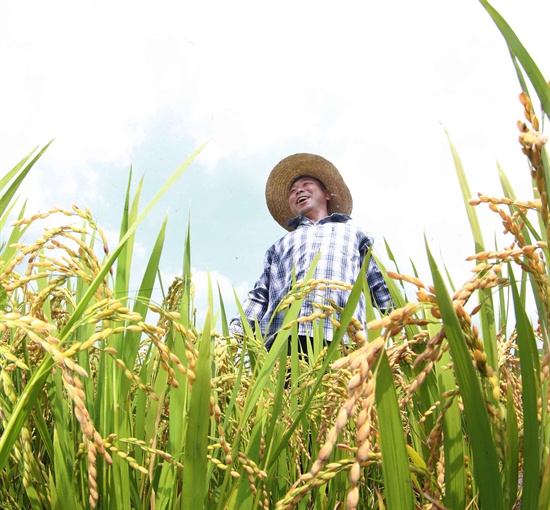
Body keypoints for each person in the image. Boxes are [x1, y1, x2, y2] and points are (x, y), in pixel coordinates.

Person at [229, 153, 393, 351]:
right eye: (293, 191)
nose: (299, 191)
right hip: (283, 341)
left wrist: (405, 324)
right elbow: (260, 295)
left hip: (341, 336)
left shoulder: (354, 234)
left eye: (306, 184)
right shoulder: (280, 245)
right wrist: (235, 332)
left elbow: (380, 288)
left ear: (326, 194)